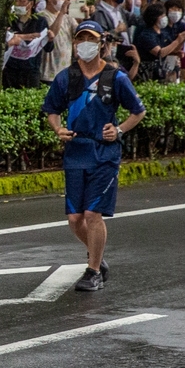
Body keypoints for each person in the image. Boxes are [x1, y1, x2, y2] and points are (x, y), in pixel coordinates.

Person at [40, 21, 146, 292]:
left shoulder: (115, 77)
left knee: (92, 214)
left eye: (91, 39)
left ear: (102, 44)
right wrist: (57, 128)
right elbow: (51, 109)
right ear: (75, 44)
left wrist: (119, 129)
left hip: (104, 153)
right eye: (80, 39)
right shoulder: (66, 77)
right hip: (76, 152)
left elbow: (138, 111)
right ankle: (98, 255)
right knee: (75, 219)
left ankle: (94, 270)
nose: (85, 44)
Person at [133, 2, 185, 82]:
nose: (165, 18)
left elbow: (171, 49)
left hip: (161, 70)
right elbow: (160, 53)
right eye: (162, 16)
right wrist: (178, 40)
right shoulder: (146, 35)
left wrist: (183, 40)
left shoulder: (163, 33)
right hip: (148, 72)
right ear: (154, 17)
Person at [2, 0, 48, 89]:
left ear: (30, 4)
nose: (17, 3)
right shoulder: (10, 21)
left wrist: (50, 38)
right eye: (16, 0)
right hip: (10, 70)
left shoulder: (40, 21)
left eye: (21, 0)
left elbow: (48, 47)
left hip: (31, 71)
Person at [39, 0, 75, 85]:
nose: (63, 1)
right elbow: (51, 33)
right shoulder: (41, 16)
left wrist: (85, 16)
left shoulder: (68, 17)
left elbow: (79, 32)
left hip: (65, 70)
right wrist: (61, 13)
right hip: (48, 72)